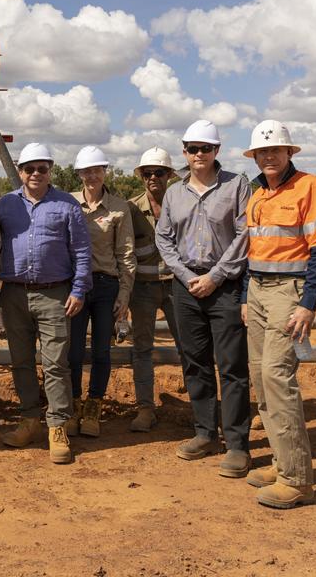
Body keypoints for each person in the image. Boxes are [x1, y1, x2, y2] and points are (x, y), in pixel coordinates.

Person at [241, 120, 316, 509]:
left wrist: (308, 303)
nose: (269, 157)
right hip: (258, 291)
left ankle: (297, 479)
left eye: (275, 151)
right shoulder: (257, 192)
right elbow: (255, 246)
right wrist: (247, 293)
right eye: (262, 152)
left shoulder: (311, 188)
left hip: (289, 294)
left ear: (289, 153)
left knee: (277, 378)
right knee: (260, 378)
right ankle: (283, 463)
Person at [156, 119, 252, 478]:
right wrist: (187, 276)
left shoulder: (237, 186)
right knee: (194, 362)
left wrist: (214, 277)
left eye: (206, 148)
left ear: (217, 151)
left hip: (224, 286)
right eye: (193, 148)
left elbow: (244, 236)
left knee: (231, 366)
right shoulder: (174, 193)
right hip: (186, 288)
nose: (199, 154)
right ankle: (204, 433)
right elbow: (164, 238)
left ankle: (238, 444)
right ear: (184, 151)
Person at [0, 143, 91, 463]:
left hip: (55, 293)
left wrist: (78, 289)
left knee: (55, 363)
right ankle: (28, 420)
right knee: (21, 360)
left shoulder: (66, 204)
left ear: (50, 169)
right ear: (20, 171)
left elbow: (81, 250)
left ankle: (57, 425)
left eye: (42, 168)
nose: (35, 173)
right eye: (29, 168)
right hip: (13, 293)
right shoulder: (6, 204)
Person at [66, 146, 136, 438]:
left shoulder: (119, 208)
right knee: (71, 351)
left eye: (97, 170)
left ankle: (94, 407)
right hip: (76, 287)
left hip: (106, 286)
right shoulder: (67, 203)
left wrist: (124, 294)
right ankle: (72, 406)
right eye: (87, 170)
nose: (92, 175)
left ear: (104, 172)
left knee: (101, 351)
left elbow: (127, 254)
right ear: (79, 174)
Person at [127, 147, 181, 432]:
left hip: (178, 288)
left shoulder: (183, 203)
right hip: (143, 290)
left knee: (191, 347)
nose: (152, 178)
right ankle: (145, 409)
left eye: (159, 172)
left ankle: (201, 408)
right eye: (147, 173)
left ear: (169, 175)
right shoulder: (131, 209)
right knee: (143, 349)